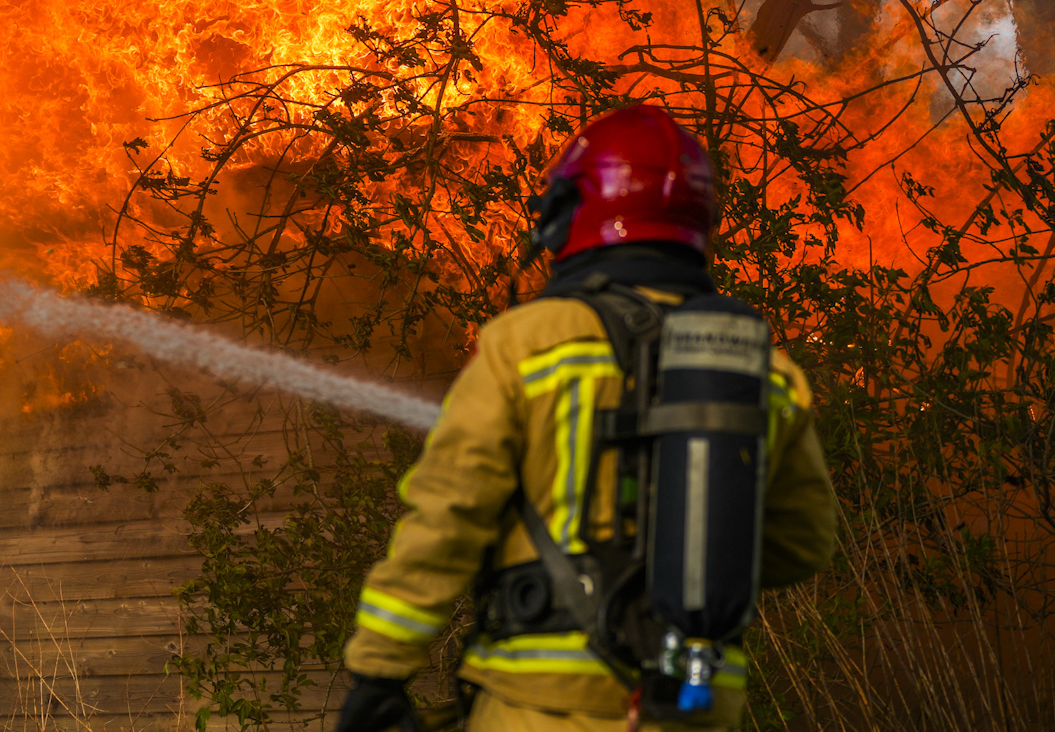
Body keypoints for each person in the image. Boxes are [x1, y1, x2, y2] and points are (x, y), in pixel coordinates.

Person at [336, 105, 838, 732]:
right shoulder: (766, 372)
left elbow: (447, 513)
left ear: (572, 215)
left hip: (540, 705)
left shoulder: (527, 344)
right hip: (693, 707)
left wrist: (378, 672)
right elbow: (803, 545)